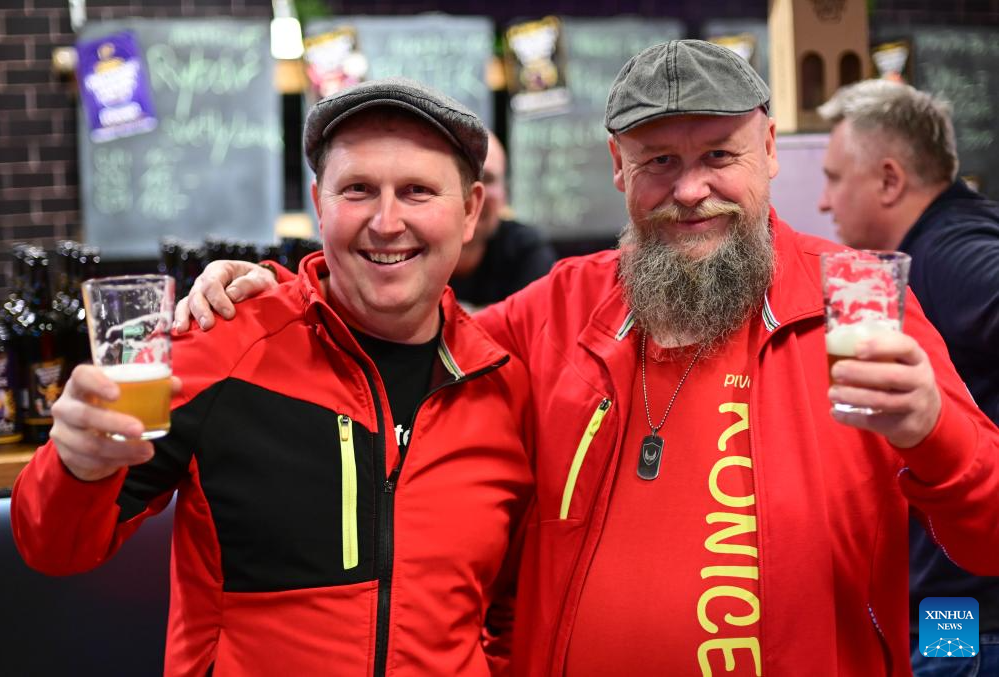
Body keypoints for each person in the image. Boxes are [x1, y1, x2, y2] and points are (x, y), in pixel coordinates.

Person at [177, 41, 999, 676]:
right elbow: (402, 320)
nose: (690, 190)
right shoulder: (555, 310)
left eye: (719, 155)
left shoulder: (858, 299)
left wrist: (934, 431)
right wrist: (282, 292)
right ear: (617, 167)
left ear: (772, 150)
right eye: (659, 162)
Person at [11, 78, 534, 676]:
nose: (387, 222)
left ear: (470, 211)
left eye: (417, 191)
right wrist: (75, 467)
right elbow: (54, 547)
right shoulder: (223, 343)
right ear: (319, 204)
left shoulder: (502, 386)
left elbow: (513, 611)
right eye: (358, 190)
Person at [818, 78, 999, 676]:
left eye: (834, 178)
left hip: (963, 615)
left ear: (890, 180)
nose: (824, 202)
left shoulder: (950, 252)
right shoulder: (956, 232)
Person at [450, 132, 557, 308]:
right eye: (463, 177)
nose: (475, 196)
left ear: (505, 193)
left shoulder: (526, 250)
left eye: (487, 179)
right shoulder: (415, 250)